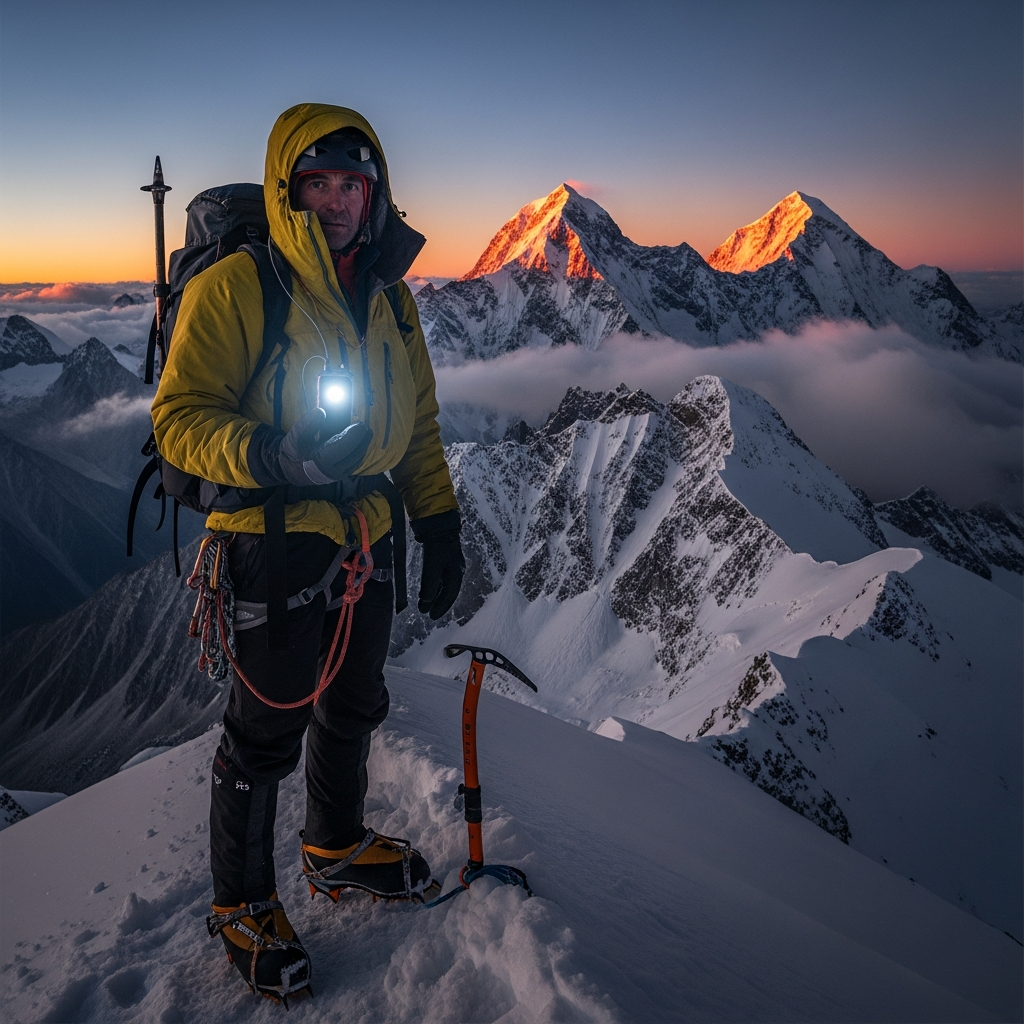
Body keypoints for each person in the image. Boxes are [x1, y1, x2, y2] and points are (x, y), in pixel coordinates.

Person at [151, 103, 464, 1004]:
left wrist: (437, 520)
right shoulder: (241, 286)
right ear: (289, 193)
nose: (334, 202)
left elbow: (420, 429)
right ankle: (240, 901)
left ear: (376, 196)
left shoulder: (392, 301)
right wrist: (266, 455)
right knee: (264, 729)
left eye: (350, 185)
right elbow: (178, 421)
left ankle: (334, 844)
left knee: (356, 698)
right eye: (316, 184)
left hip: (364, 529)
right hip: (269, 536)